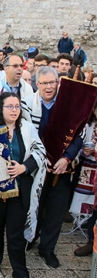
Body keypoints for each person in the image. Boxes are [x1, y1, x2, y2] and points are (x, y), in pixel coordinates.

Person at [0, 92, 46, 278]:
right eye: (10, 106)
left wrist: (24, 167)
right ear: (0, 108)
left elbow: (39, 150)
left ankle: (19, 269)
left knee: (15, 234)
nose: (14, 110)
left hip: (18, 190)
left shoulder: (27, 128)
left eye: (17, 106)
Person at [21, 66, 83, 268]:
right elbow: (26, 135)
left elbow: (77, 135)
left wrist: (66, 158)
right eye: (44, 83)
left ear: (58, 83)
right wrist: (40, 158)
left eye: (52, 82)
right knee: (33, 206)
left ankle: (47, 249)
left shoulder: (67, 106)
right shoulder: (27, 104)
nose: (49, 87)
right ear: (36, 84)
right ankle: (30, 237)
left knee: (55, 211)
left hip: (62, 169)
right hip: (37, 167)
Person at [71, 102, 97, 257]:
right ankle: (91, 241)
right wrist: (84, 151)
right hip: (90, 169)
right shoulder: (89, 126)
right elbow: (79, 147)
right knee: (93, 207)